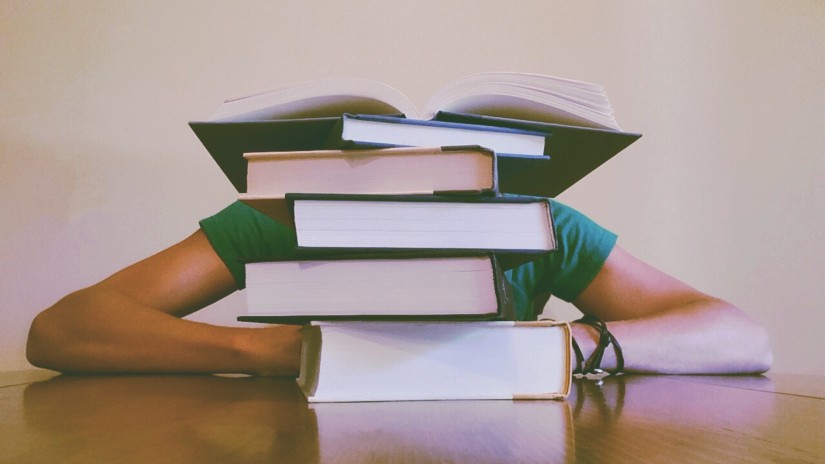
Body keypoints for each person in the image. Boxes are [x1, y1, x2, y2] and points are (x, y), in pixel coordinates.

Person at [26, 199, 773, 377]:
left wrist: (574, 344)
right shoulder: (283, 215)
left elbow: (740, 335)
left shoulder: (534, 226)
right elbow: (62, 329)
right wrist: (284, 351)